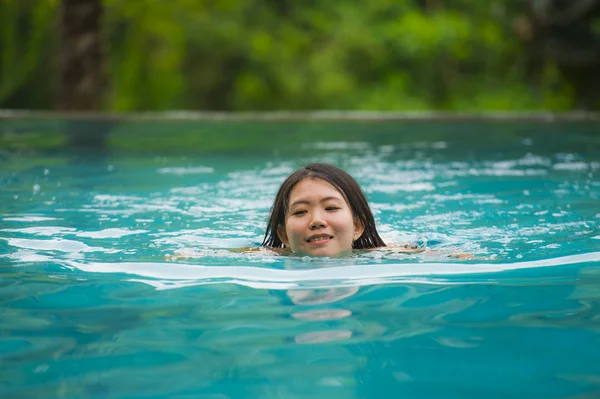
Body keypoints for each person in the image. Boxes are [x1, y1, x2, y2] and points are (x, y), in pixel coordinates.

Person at [261, 163, 422, 257]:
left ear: (357, 226)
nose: (317, 220)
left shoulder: (388, 255)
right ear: (284, 235)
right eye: (300, 211)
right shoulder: (265, 257)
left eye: (331, 208)